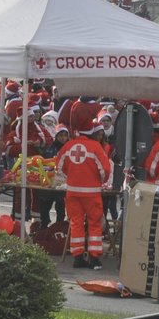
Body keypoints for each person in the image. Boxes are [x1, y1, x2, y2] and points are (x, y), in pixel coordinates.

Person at [55, 104, 113, 270]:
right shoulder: (95, 147)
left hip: (73, 191)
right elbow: (105, 169)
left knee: (76, 223)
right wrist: (101, 181)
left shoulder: (69, 146)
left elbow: (58, 165)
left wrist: (71, 176)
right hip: (92, 192)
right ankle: (94, 258)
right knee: (94, 223)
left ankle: (78, 257)